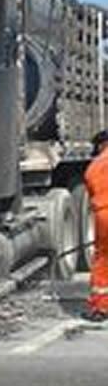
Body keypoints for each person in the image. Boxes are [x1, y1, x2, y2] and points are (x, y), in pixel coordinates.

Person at [85, 130, 108, 322]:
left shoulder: (95, 165)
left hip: (103, 214)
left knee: (102, 259)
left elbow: (91, 190)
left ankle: (100, 307)